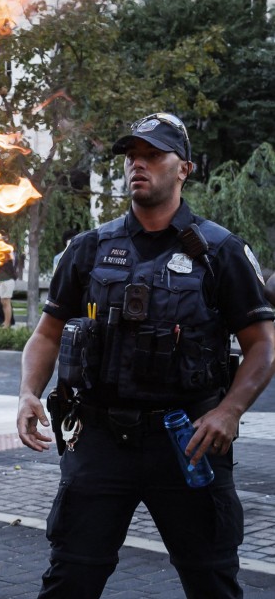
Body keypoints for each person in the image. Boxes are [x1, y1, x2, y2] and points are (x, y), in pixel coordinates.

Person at [16, 112, 275, 598]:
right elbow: (47, 333)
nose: (139, 164)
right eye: (133, 156)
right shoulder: (89, 248)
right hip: (99, 441)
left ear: (184, 169)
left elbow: (264, 345)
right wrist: (29, 392)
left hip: (188, 441)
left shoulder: (220, 251)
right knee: (71, 577)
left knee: (211, 580)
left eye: (154, 155)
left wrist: (229, 410)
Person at [0, 242, 17, 328]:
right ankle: (5, 322)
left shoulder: (7, 256)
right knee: (3, 302)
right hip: (2, 281)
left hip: (8, 281)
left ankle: (7, 323)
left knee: (6, 302)